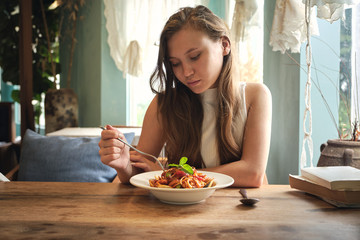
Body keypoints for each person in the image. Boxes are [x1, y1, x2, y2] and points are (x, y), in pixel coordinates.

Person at [98, 5, 272, 187]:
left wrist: (172, 175)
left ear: (224, 45)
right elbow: (139, 172)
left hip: (242, 208)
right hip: (180, 210)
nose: (186, 72)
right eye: (175, 63)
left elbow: (253, 174)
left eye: (195, 56)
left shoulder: (255, 96)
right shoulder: (164, 103)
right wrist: (123, 164)